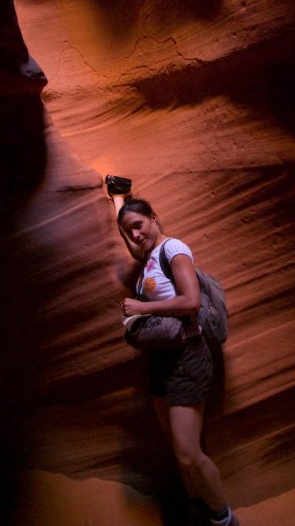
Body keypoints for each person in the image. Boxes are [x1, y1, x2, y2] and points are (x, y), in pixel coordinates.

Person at [109, 188, 239, 526]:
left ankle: (225, 519)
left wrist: (142, 307)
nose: (135, 235)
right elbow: (132, 243)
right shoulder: (149, 255)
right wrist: (118, 202)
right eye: (129, 231)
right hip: (161, 360)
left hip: (187, 356)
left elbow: (191, 301)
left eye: (139, 225)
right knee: (177, 451)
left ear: (154, 218)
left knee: (188, 452)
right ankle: (199, 507)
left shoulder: (174, 249)